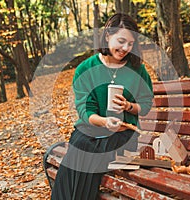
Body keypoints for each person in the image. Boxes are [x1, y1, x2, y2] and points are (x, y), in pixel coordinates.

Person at [51, 13, 154, 200]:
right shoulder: (85, 69)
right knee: (81, 144)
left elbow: (146, 105)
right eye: (121, 41)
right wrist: (104, 122)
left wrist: (129, 106)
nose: (125, 48)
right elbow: (85, 110)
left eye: (130, 44)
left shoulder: (137, 68)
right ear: (107, 36)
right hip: (91, 129)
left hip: (124, 134)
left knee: (89, 151)